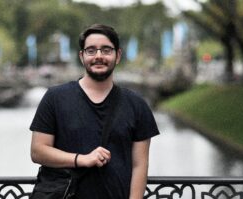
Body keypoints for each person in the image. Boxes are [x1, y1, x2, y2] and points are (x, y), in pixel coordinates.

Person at [29, 24, 159, 199]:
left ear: (118, 55)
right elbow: (38, 151)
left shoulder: (137, 105)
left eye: (106, 50)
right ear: (82, 56)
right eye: (91, 50)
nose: (98, 56)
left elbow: (140, 165)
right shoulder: (55, 98)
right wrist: (81, 159)